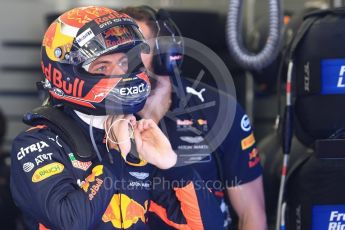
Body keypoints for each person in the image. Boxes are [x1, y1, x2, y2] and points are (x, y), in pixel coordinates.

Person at [10, 6, 224, 229]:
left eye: (123, 63)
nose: (119, 74)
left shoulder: (135, 138)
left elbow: (208, 225)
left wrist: (173, 164)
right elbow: (70, 222)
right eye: (102, 66)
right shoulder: (36, 144)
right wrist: (114, 156)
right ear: (65, 73)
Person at [121, 6, 267, 229]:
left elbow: (251, 213)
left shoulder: (218, 109)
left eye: (136, 48)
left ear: (165, 54)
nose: (126, 62)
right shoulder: (99, 116)